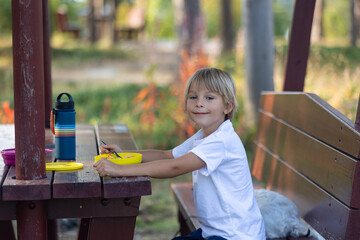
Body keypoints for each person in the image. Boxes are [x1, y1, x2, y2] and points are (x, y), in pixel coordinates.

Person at [93, 68, 265, 240]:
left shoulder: (222, 141)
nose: (199, 103)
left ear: (228, 106)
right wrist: (125, 155)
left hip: (236, 235)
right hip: (215, 232)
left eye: (209, 98)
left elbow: (175, 166)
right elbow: (167, 156)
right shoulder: (205, 135)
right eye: (193, 97)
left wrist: (118, 170)